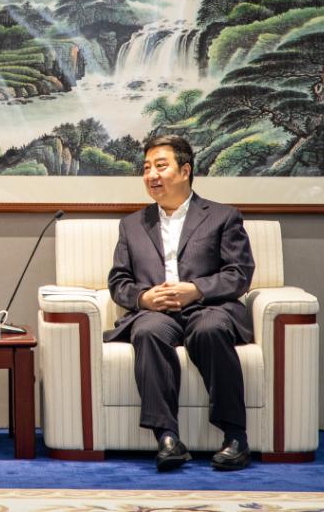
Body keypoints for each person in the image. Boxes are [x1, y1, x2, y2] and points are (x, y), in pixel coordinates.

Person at [106, 135, 255, 472]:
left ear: (185, 170)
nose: (151, 175)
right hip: (157, 313)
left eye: (160, 166)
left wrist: (196, 290)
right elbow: (118, 281)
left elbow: (239, 274)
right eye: (146, 168)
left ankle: (235, 437)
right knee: (147, 331)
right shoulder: (132, 224)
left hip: (208, 308)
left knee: (211, 330)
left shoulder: (223, 216)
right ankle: (167, 438)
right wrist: (143, 298)